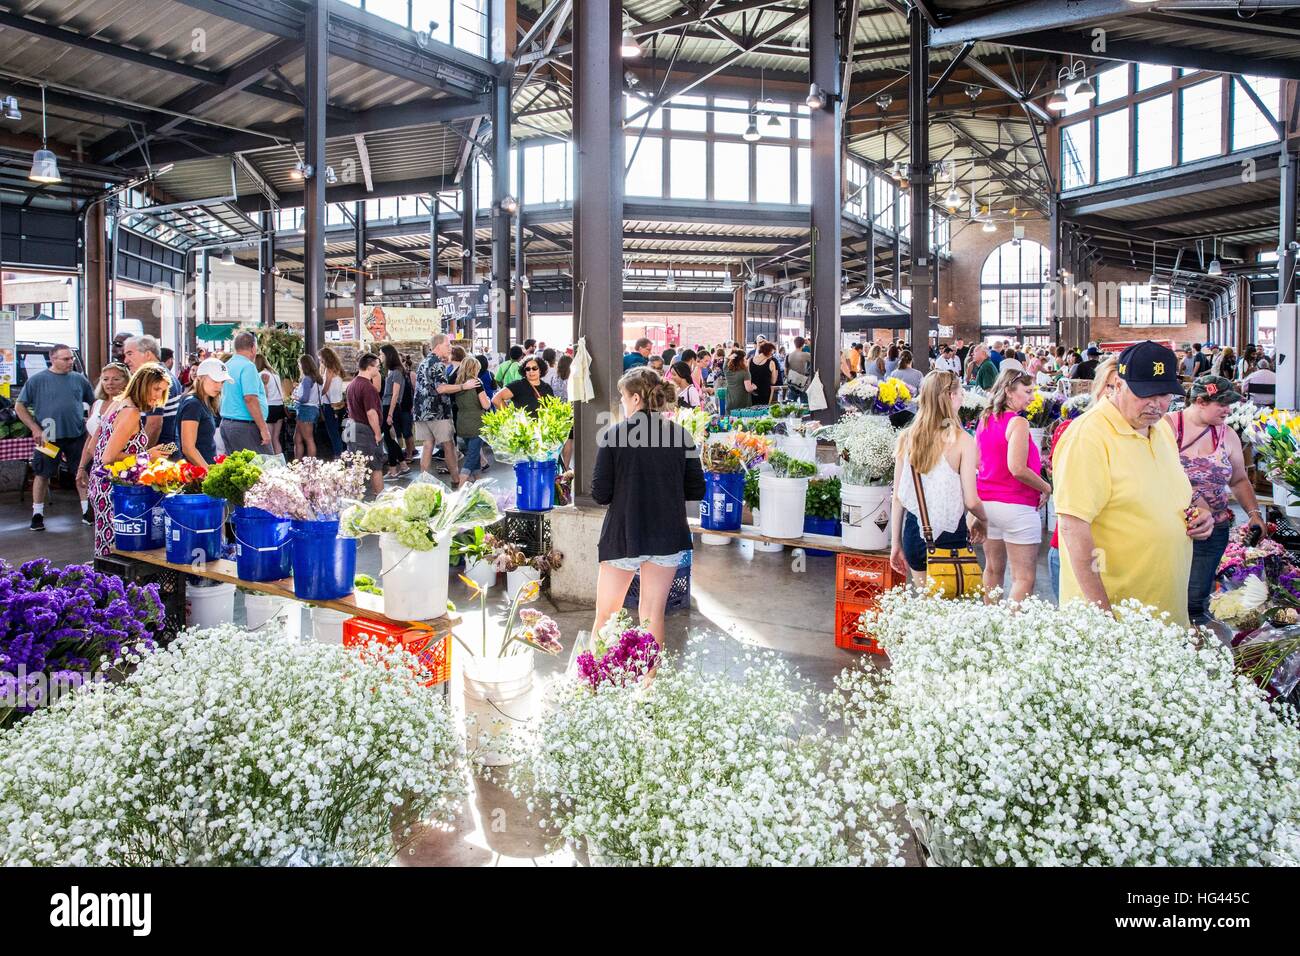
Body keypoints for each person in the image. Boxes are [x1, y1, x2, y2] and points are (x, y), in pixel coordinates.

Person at [1054, 342, 1214, 627]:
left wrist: (1198, 514)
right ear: (1118, 384)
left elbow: (1168, 493)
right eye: (1145, 394)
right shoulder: (1088, 437)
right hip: (1119, 620)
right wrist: (1102, 616)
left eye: (1164, 394)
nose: (1156, 404)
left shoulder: (1161, 429)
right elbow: (1073, 526)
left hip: (1164, 610)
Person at [591, 367, 706, 646]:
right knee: (652, 616)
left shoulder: (614, 434)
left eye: (622, 395)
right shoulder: (681, 435)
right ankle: (649, 687)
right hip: (667, 535)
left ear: (635, 399)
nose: (620, 402)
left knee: (607, 615)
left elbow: (600, 494)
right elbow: (696, 490)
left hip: (625, 534)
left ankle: (593, 683)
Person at [1166, 376, 1265, 624]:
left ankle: (1195, 650)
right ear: (1200, 401)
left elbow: (1239, 480)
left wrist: (1254, 514)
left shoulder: (1227, 434)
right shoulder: (1167, 427)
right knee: (1169, 596)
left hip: (1214, 531)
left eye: (1230, 404)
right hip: (1174, 529)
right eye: (1221, 404)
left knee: (1197, 600)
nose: (1228, 410)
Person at [889, 370, 989, 586]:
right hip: (950, 535)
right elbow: (971, 501)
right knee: (948, 611)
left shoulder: (907, 437)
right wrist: (984, 519)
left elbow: (898, 497)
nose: (963, 396)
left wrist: (894, 543)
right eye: (960, 391)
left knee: (926, 605)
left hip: (915, 532)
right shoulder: (963, 440)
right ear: (951, 396)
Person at [976, 368, 1052, 603]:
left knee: (992, 569)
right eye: (1027, 391)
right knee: (1023, 578)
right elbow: (1017, 468)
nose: (1031, 396)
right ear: (1009, 391)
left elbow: (978, 461)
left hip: (987, 504)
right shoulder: (1018, 422)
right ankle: (1010, 634)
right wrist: (1045, 487)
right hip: (1016, 506)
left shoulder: (985, 418)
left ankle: (991, 628)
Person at [1045, 359, 1119, 597]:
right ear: (1098, 388)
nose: (1116, 394)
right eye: (1110, 386)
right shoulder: (1075, 430)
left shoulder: (1153, 435)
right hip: (1077, 551)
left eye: (1124, 387)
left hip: (1126, 558)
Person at [90, 364, 172, 557]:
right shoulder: (131, 412)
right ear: (143, 384)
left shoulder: (116, 403)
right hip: (115, 490)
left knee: (105, 546)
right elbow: (108, 457)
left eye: (162, 391)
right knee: (115, 551)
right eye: (156, 389)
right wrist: (148, 456)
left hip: (102, 484)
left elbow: (93, 447)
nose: (158, 396)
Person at [15, 343, 97, 531]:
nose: (70, 361)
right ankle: (37, 514)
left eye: (71, 358)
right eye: (66, 359)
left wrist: (90, 421)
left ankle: (87, 511)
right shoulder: (37, 381)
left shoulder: (79, 379)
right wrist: (34, 428)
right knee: (42, 473)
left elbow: (94, 402)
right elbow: (19, 406)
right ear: (53, 359)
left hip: (76, 435)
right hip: (48, 437)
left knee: (81, 472)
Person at [76, 361, 130, 525]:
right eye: (105, 379)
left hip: (117, 467)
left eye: (115, 379)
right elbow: (90, 438)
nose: (110, 383)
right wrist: (81, 467)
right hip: (96, 466)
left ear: (126, 381)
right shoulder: (96, 404)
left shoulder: (128, 406)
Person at [413, 333, 468, 481]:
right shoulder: (437, 364)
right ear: (438, 346)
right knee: (448, 445)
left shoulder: (423, 363)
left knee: (427, 445)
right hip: (438, 412)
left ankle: (423, 481)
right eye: (447, 345)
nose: (450, 348)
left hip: (421, 411)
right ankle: (456, 479)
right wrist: (463, 386)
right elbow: (441, 388)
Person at [219, 331, 272, 455]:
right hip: (246, 426)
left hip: (227, 424)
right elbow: (250, 398)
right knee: (266, 466)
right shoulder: (248, 366)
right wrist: (264, 429)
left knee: (238, 468)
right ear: (253, 348)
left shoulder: (227, 365)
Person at [123, 335, 181, 448]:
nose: (126, 360)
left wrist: (142, 456)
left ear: (148, 354)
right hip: (166, 451)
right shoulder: (164, 375)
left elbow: (154, 424)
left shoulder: (155, 379)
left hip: (158, 456)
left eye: (130, 354)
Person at [345, 353, 386, 496]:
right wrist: (377, 433)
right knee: (376, 466)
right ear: (369, 367)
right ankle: (381, 498)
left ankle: (353, 497)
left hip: (352, 427)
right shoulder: (368, 387)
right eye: (377, 367)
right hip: (365, 430)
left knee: (355, 466)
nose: (379, 370)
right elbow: (371, 413)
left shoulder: (352, 384)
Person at [177, 358, 230, 468]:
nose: (219, 386)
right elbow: (188, 448)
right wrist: (209, 473)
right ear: (200, 378)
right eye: (215, 381)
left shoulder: (205, 401)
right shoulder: (193, 404)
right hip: (196, 474)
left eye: (222, 382)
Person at [453, 356, 492, 487]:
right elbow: (485, 405)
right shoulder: (477, 383)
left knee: (474, 457)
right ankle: (459, 489)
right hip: (476, 423)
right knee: (471, 458)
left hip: (462, 423)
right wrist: (488, 399)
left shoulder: (458, 384)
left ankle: (479, 484)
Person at [378, 344, 409, 479]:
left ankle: (393, 469)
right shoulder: (392, 371)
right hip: (387, 406)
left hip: (391, 407)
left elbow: (395, 395)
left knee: (389, 438)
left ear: (388, 355)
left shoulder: (396, 372)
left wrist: (390, 413)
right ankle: (402, 465)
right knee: (389, 438)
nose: (380, 357)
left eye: (381, 354)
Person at [291, 354, 322, 462]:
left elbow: (304, 398)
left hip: (305, 410)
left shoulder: (307, 379)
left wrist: (295, 397)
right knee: (297, 438)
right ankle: (298, 463)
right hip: (313, 409)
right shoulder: (317, 379)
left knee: (308, 439)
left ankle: (311, 466)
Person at [254, 354, 285, 455]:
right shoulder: (275, 374)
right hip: (279, 407)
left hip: (269, 408)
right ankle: (279, 463)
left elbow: (263, 396)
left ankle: (271, 465)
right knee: (276, 439)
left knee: (268, 440)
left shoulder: (260, 375)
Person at [318, 347, 346, 458]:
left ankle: (338, 456)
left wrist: (317, 394)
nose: (320, 361)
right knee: (339, 431)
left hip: (330, 405)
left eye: (321, 359)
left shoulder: (329, 370)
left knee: (333, 432)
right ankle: (344, 454)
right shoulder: (338, 369)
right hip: (339, 404)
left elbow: (325, 388)